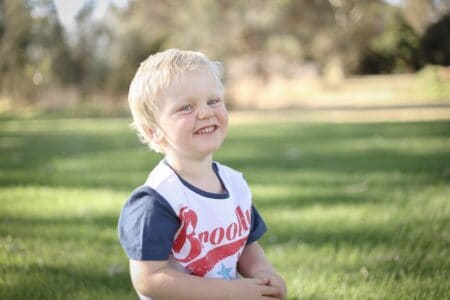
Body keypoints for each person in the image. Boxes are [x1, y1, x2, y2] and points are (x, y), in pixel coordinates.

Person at [118, 48, 286, 300]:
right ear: (153, 131)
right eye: (186, 107)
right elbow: (149, 278)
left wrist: (264, 274)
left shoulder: (234, 184)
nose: (206, 112)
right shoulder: (157, 200)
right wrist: (229, 292)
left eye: (213, 101)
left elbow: (246, 245)